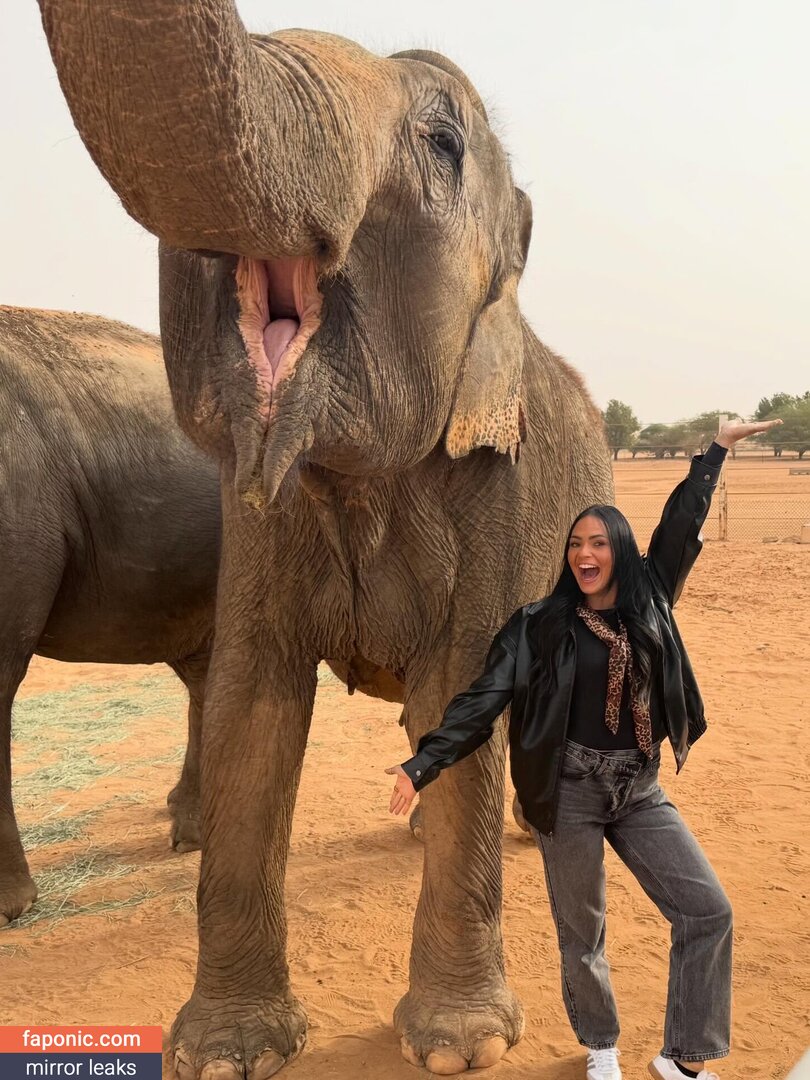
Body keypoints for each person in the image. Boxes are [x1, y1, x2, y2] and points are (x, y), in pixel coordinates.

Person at [386, 419, 781, 1080]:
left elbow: (680, 526)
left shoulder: (651, 599)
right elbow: (484, 699)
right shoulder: (538, 626)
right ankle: (601, 1046)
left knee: (707, 910)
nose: (584, 554)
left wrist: (716, 451)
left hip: (639, 788)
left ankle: (684, 1058)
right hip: (569, 790)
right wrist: (422, 763)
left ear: (619, 550)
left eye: (598, 542)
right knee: (584, 932)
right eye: (575, 544)